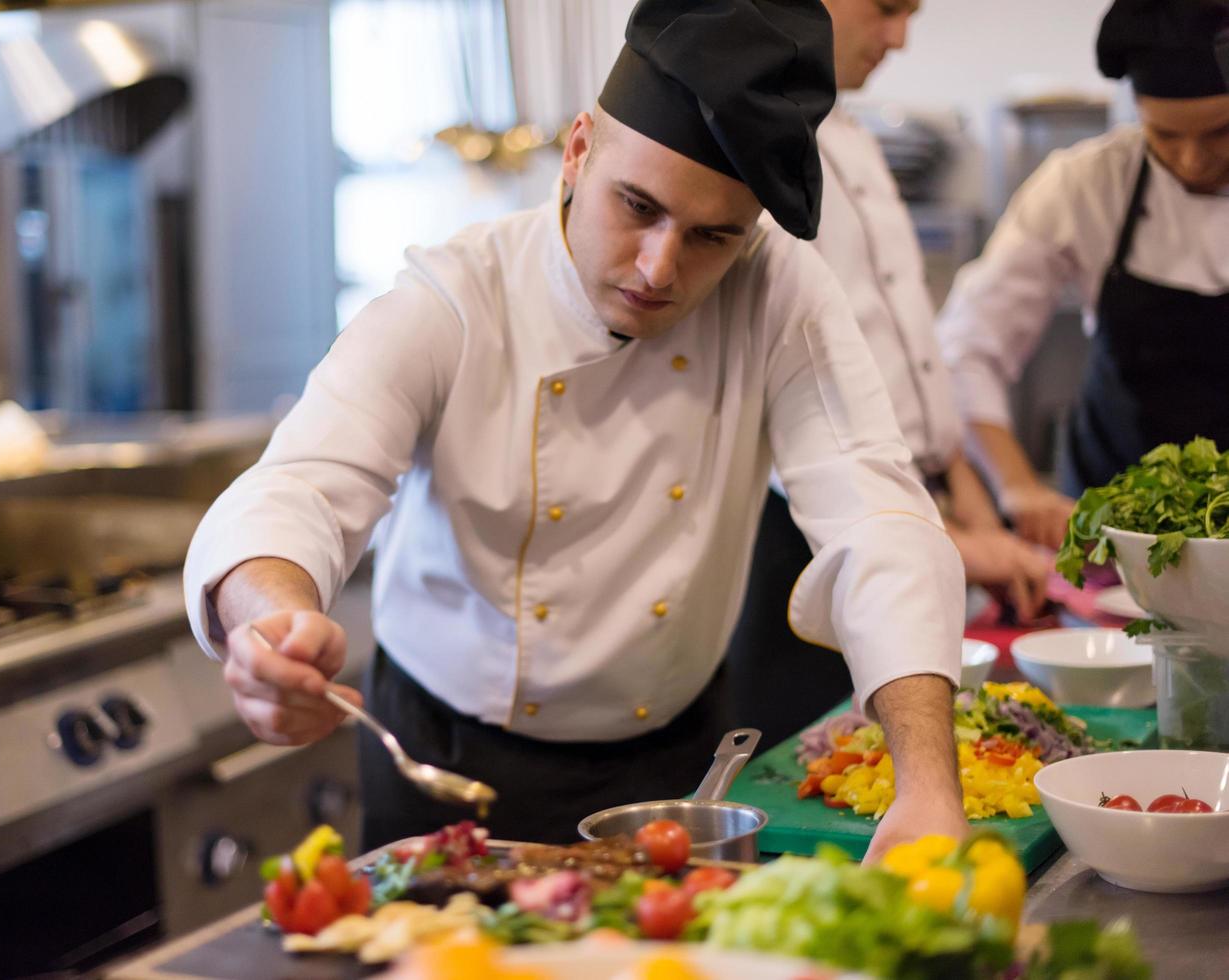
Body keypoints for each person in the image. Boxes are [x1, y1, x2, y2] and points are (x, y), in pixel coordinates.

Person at [184, 0, 967, 859]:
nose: (658, 268)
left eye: (711, 237)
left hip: (679, 761)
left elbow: (876, 516)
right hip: (447, 764)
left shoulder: (778, 290)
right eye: (636, 206)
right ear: (578, 148)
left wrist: (927, 785)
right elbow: (300, 482)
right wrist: (275, 623)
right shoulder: (457, 297)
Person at [726, 0, 1053, 744]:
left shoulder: (853, 130)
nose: (900, 39)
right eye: (885, 9)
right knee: (819, 771)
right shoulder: (752, 138)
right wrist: (956, 545)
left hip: (911, 514)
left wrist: (966, 501)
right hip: (804, 543)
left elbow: (911, 352)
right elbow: (783, 405)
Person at [938, 0, 1229, 549]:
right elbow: (966, 347)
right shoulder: (1087, 185)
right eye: (1164, 136)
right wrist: (1017, 486)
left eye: (1219, 132)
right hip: (1108, 528)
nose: (1191, 160)